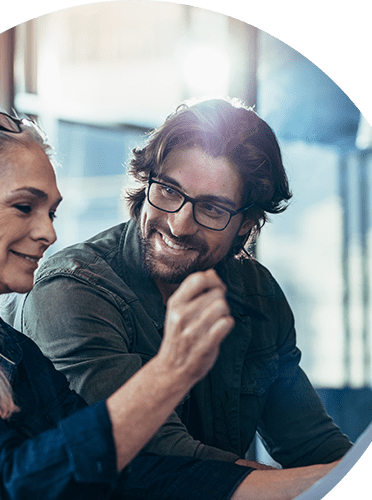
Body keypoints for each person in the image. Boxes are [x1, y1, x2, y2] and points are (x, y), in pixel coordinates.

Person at [0, 110, 339, 500]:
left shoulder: (6, 348)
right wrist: (171, 372)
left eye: (51, 212)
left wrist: (335, 481)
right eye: (24, 207)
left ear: (247, 225)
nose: (48, 233)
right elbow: (4, 491)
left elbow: (126, 474)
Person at [20, 98, 352, 470]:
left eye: (212, 208)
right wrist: (313, 483)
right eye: (168, 191)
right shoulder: (73, 290)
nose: (179, 225)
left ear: (246, 223)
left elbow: (311, 444)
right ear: (146, 181)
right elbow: (156, 461)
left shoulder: (256, 292)